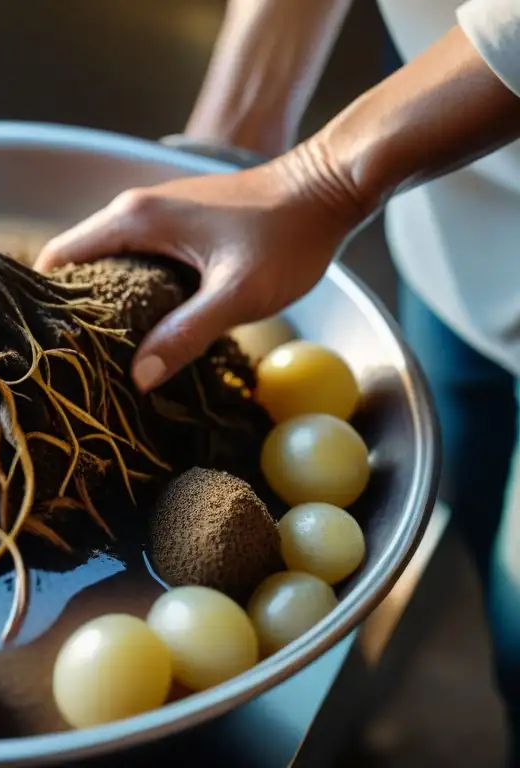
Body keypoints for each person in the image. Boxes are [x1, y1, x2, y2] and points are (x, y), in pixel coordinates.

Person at [35, 0, 520, 750]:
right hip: (440, 171)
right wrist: (229, 145)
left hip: (404, 148)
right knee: (466, 490)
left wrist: (322, 175)